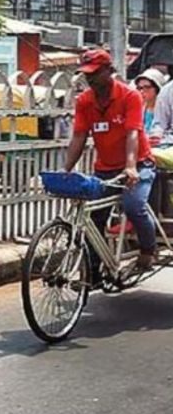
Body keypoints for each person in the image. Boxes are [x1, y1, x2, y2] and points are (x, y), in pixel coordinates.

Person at [64, 49, 157, 272]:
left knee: (133, 205)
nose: (90, 79)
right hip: (105, 170)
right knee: (92, 216)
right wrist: (65, 170)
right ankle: (92, 272)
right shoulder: (85, 100)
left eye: (95, 73)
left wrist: (131, 166)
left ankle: (148, 250)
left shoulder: (129, 96)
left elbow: (133, 133)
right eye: (87, 74)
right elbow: (79, 136)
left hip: (138, 165)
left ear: (108, 71)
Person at [134, 68, 167, 135]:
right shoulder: (139, 108)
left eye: (147, 87)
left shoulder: (166, 109)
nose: (142, 91)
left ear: (157, 88)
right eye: (139, 88)